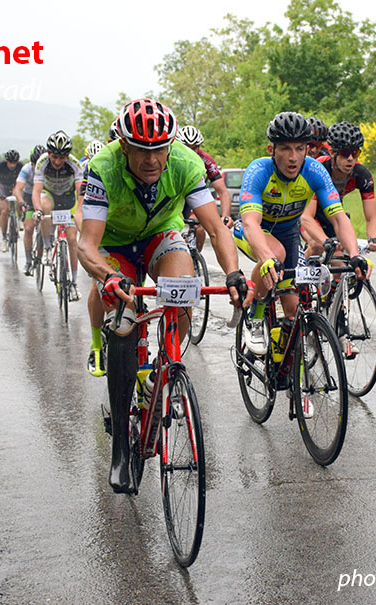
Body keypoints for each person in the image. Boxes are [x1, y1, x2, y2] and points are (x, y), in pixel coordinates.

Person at [77, 97, 248, 493]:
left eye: (160, 149)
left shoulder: (186, 164)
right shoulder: (103, 167)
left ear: (171, 146)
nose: (152, 159)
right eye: (141, 149)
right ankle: (121, 447)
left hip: (159, 236)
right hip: (114, 244)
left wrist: (234, 273)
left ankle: (161, 371)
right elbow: (87, 245)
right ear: (124, 145)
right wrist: (108, 277)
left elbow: (217, 229)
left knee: (183, 290)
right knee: (123, 321)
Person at [234, 111, 371, 357]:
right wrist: (267, 258)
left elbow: (338, 217)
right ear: (271, 150)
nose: (293, 157)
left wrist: (354, 255)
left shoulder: (314, 171)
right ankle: (254, 317)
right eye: (285, 148)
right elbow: (251, 222)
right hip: (254, 231)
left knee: (294, 309)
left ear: (308, 149)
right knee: (275, 254)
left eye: (299, 148)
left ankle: (282, 363)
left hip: (288, 234)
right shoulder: (259, 170)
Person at [301, 121, 376, 256]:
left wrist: (373, 239)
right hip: (307, 214)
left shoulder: (361, 174)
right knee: (317, 246)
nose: (350, 159)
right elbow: (307, 217)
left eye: (355, 153)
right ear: (332, 152)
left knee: (341, 260)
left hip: (333, 213)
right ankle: (300, 268)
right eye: (345, 153)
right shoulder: (319, 169)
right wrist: (325, 241)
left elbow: (371, 217)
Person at [32, 131, 84, 301]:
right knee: (44, 206)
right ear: (48, 153)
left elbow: (80, 191)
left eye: (62, 157)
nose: (57, 161)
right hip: (50, 195)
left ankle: (74, 284)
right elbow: (36, 191)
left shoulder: (74, 164)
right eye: (54, 156)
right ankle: (47, 247)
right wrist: (38, 210)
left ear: (67, 156)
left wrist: (79, 211)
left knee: (72, 240)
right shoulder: (42, 163)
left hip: (68, 198)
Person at [175, 125, 233, 251]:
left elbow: (223, 192)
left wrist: (226, 216)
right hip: (175, 197)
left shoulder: (206, 159)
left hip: (192, 197)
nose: (190, 152)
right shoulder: (170, 156)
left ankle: (195, 257)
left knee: (199, 228)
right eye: (186, 147)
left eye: (194, 148)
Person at [14, 145, 45, 275]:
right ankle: (28, 260)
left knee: (45, 226)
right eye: (34, 164)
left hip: (44, 196)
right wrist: (21, 202)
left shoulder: (48, 167)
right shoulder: (26, 169)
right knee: (28, 228)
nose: (36, 167)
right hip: (29, 196)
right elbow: (18, 189)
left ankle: (41, 254)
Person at [0, 149, 24, 252]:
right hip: (3, 187)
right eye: (10, 162)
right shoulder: (0, 166)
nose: (12, 165)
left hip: (14, 186)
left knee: (18, 197)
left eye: (15, 162)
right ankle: (4, 238)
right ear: (6, 161)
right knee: (4, 210)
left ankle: (20, 219)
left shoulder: (20, 166)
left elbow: (24, 182)